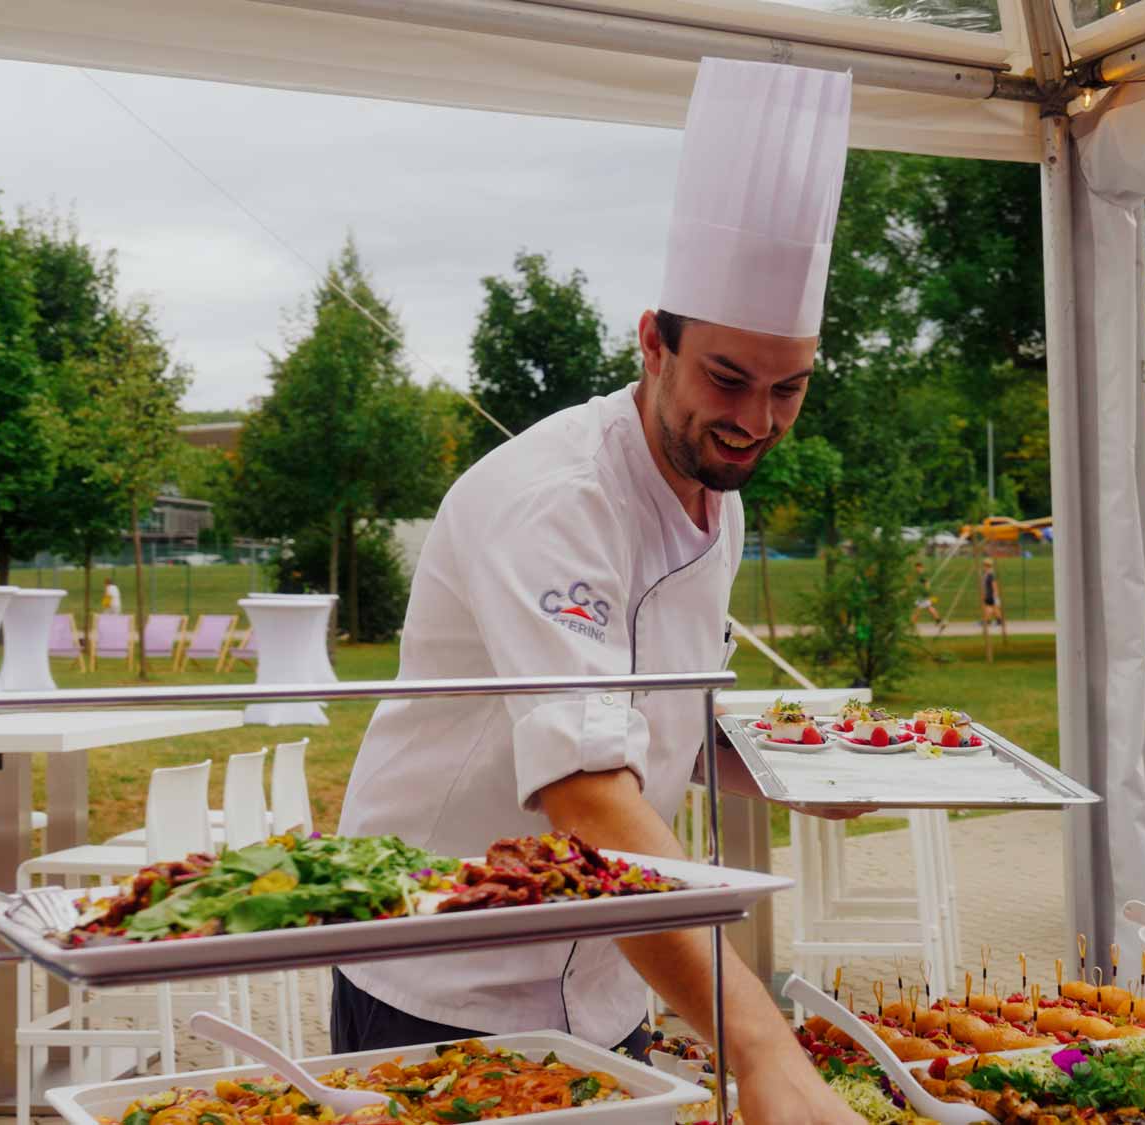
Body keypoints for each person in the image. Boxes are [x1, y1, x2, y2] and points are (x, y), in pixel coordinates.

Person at [332, 58, 868, 1124]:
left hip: (616, 970)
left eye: (788, 389)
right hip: (447, 981)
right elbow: (586, 793)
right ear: (653, 341)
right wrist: (761, 1051)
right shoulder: (555, 499)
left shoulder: (716, 495)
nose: (755, 423)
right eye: (727, 379)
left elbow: (657, 724)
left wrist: (799, 769)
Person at [980, 557, 1005, 636]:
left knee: (989, 608)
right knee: (995, 608)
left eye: (984, 565)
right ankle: (999, 621)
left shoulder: (990, 574)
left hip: (991, 594)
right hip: (988, 594)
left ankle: (987, 621)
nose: (983, 567)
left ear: (987, 566)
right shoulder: (987, 574)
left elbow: (994, 584)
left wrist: (995, 594)